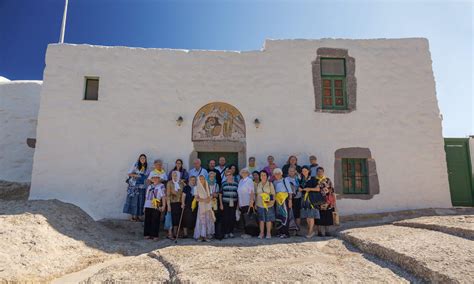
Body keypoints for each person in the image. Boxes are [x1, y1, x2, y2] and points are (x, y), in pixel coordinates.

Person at [123, 154, 149, 222]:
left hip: (142, 186)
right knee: (133, 200)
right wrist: (137, 175)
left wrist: (144, 177)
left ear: (145, 159)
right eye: (141, 158)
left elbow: (147, 176)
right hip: (134, 186)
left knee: (140, 201)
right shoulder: (135, 165)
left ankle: (138, 216)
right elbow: (129, 173)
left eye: (144, 158)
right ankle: (132, 217)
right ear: (139, 159)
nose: (142, 159)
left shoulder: (146, 167)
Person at [299, 166, 322, 238]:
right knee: (307, 216)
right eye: (303, 171)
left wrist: (309, 189)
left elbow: (318, 189)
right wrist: (300, 189)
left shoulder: (313, 179)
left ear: (308, 171)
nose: (304, 172)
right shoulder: (302, 180)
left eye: (305, 171)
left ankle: (310, 232)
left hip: (311, 199)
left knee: (311, 216)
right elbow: (301, 188)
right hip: (304, 199)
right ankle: (311, 231)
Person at [143, 172, 166, 240]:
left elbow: (163, 196)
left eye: (157, 178)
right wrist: (144, 206)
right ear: (152, 179)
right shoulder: (150, 186)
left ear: (159, 179)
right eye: (154, 178)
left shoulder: (161, 186)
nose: (155, 179)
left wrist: (164, 205)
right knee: (147, 220)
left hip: (156, 204)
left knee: (155, 220)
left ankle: (155, 235)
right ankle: (147, 234)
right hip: (148, 204)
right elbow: (146, 197)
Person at [314, 167, 336, 237]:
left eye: (321, 171)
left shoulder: (327, 180)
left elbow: (332, 190)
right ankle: (319, 232)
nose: (320, 173)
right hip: (318, 201)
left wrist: (333, 202)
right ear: (316, 172)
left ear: (323, 172)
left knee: (328, 216)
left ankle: (327, 231)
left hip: (328, 201)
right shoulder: (314, 180)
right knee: (319, 217)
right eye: (318, 171)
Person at [194, 175, 215, 241]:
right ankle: (200, 235)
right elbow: (196, 198)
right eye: (200, 179)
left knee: (208, 220)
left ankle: (206, 235)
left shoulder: (207, 186)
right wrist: (204, 200)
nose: (201, 180)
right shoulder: (196, 187)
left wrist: (209, 199)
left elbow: (210, 195)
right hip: (201, 206)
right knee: (201, 220)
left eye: (202, 179)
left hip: (208, 205)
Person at [272, 168, 293, 238]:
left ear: (281, 174)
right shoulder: (274, 182)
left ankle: (285, 233)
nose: (277, 175)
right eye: (275, 174)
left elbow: (290, 191)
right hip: (278, 201)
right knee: (279, 216)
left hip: (285, 200)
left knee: (285, 216)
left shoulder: (285, 180)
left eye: (278, 173)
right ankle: (280, 232)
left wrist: (290, 200)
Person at [256, 170, 276, 239]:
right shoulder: (258, 184)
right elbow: (256, 194)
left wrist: (271, 202)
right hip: (260, 204)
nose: (263, 176)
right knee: (261, 220)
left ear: (267, 176)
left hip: (268, 205)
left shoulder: (270, 184)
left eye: (264, 175)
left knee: (268, 219)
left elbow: (273, 194)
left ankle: (268, 233)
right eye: (261, 175)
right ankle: (261, 233)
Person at [219, 170, 239, 238]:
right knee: (225, 218)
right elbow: (220, 194)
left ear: (232, 175)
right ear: (226, 176)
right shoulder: (223, 183)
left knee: (232, 218)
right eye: (227, 175)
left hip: (234, 203)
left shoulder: (236, 184)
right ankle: (226, 232)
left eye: (230, 174)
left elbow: (238, 195)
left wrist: (238, 206)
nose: (229, 176)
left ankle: (231, 232)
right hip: (225, 203)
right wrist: (221, 204)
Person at [166, 171, 185, 239]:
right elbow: (167, 195)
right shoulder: (169, 183)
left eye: (176, 175)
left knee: (178, 218)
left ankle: (176, 233)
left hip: (179, 203)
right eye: (173, 175)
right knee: (172, 218)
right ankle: (171, 233)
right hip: (172, 203)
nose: (174, 176)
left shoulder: (181, 183)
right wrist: (168, 205)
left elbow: (184, 192)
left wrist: (183, 202)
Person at [237, 168, 255, 234]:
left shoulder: (249, 180)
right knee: (244, 218)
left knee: (249, 218)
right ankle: (246, 232)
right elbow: (239, 192)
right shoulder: (241, 181)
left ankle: (250, 233)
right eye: (242, 172)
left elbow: (252, 192)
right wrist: (238, 203)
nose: (244, 173)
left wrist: (251, 202)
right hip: (242, 202)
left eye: (245, 172)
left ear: (248, 173)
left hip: (248, 202)